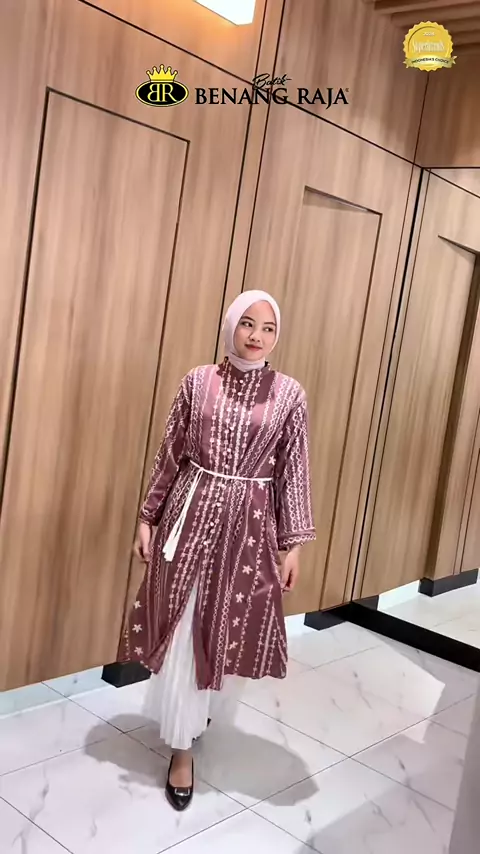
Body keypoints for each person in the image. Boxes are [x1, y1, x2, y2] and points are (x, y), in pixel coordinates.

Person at [120, 290, 316, 810]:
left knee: (221, 624)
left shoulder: (289, 394)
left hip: (248, 528)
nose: (256, 336)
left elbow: (293, 470)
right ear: (230, 326)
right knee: (184, 624)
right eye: (247, 324)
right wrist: (147, 515)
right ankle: (181, 749)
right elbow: (170, 453)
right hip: (190, 516)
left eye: (268, 328)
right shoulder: (198, 381)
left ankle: (195, 709)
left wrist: (292, 544)